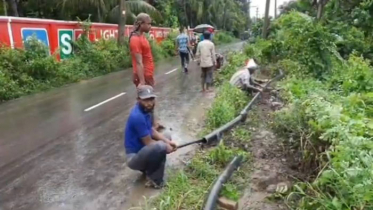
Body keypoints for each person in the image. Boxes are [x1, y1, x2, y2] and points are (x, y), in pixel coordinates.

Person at [125, 85, 177, 189]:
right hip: (134, 158)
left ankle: (150, 169)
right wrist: (166, 146)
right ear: (138, 99)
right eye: (145, 100)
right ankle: (155, 181)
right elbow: (149, 142)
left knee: (166, 135)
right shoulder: (137, 116)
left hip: (143, 151)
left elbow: (152, 131)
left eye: (151, 99)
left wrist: (168, 142)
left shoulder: (146, 110)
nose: (149, 103)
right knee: (160, 147)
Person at [129, 13, 154, 87]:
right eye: (148, 24)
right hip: (144, 76)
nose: (150, 26)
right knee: (147, 98)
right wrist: (142, 82)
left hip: (148, 75)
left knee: (148, 98)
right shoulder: (135, 40)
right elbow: (138, 62)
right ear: (141, 24)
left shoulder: (141, 36)